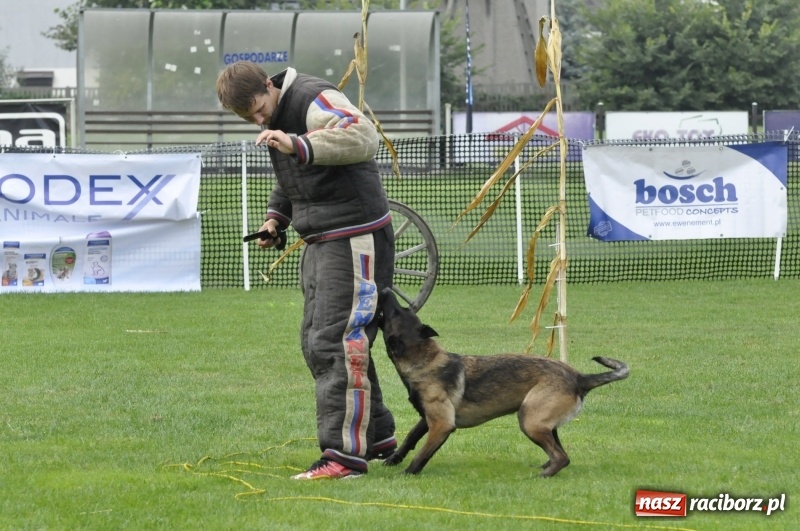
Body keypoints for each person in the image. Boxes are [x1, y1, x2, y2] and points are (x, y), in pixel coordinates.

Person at [216, 61, 397, 480]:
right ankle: (377, 435)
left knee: (338, 339)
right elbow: (293, 175)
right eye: (249, 119)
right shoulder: (279, 114)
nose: (258, 120)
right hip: (323, 238)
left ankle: (343, 456)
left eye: (259, 110)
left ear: (268, 85)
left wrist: (298, 143)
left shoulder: (316, 98)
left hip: (354, 234)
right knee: (318, 341)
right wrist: (274, 219)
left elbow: (363, 136)